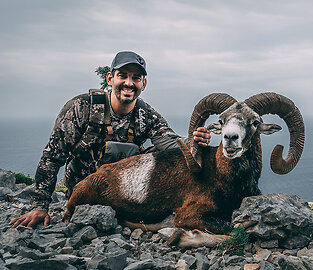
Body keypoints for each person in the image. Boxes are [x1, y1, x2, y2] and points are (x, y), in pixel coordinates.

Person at [10, 51, 211, 229]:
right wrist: (39, 207)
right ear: (109, 78)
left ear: (143, 84)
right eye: (122, 76)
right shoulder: (81, 108)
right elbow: (52, 157)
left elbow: (169, 141)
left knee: (158, 155)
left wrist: (194, 140)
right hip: (84, 192)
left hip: (125, 193)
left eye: (136, 78)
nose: (129, 83)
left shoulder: (146, 115)